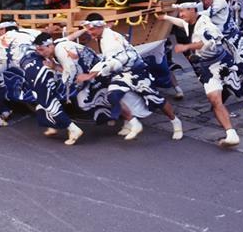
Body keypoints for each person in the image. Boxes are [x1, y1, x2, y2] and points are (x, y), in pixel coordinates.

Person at [78, 14, 182, 142]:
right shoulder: (102, 36)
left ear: (100, 26)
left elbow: (112, 61)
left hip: (137, 71)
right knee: (112, 96)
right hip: (122, 73)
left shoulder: (110, 39)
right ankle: (133, 122)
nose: (89, 33)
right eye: (88, 30)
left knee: (156, 99)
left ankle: (175, 122)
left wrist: (91, 74)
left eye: (91, 29)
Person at [169, 0, 243, 147]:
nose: (181, 14)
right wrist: (164, 18)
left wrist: (186, 46)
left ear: (192, 10)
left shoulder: (205, 24)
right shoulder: (190, 22)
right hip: (207, 68)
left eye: (183, 11)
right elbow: (180, 22)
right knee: (214, 100)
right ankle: (231, 134)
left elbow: (207, 42)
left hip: (222, 63)